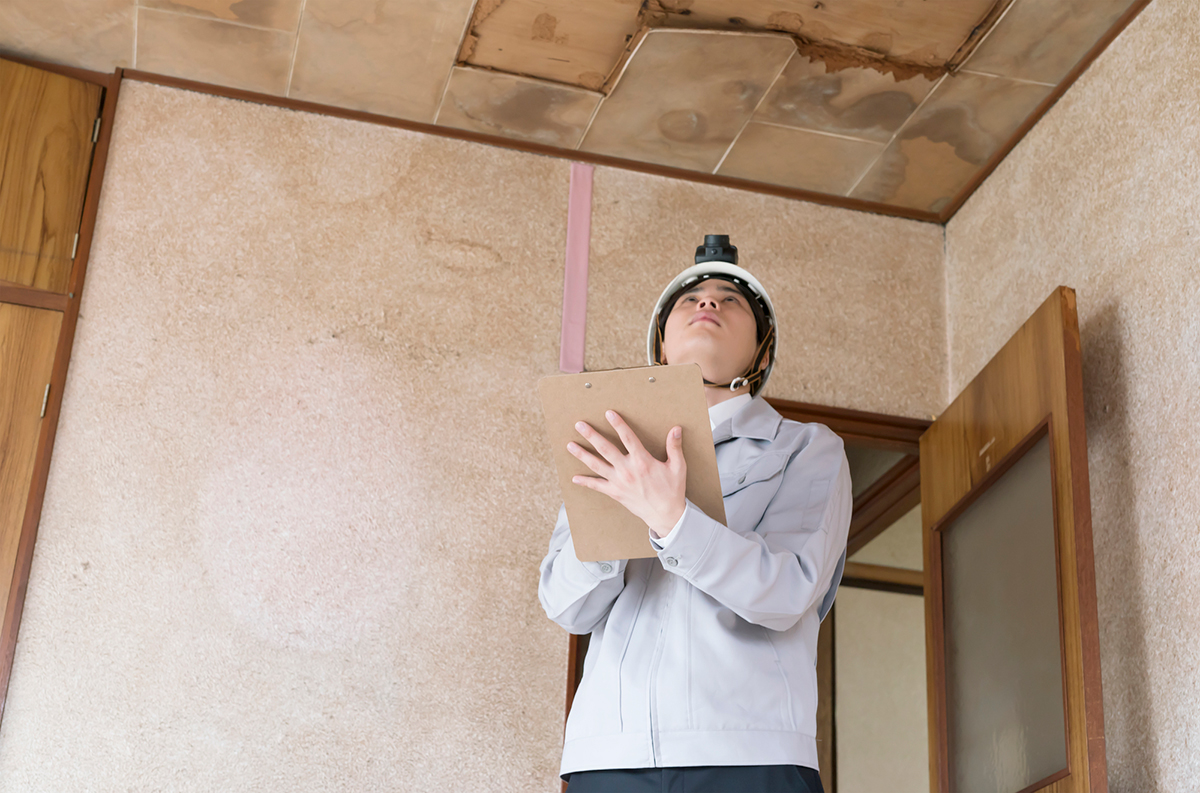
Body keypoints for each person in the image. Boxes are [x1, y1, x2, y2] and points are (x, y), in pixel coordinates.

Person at [538, 235, 852, 793]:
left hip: (749, 752)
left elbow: (788, 592)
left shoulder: (805, 448)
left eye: (731, 300)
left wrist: (674, 521)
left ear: (761, 355)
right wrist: (619, 515)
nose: (708, 302)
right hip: (608, 754)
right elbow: (567, 606)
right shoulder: (612, 448)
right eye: (690, 299)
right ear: (661, 346)